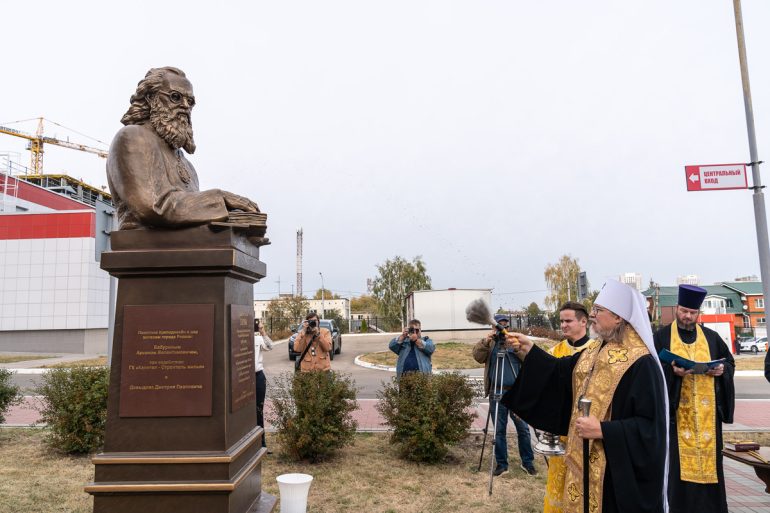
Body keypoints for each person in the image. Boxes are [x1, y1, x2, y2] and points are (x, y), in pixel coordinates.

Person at [502, 280, 668, 513]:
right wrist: (529, 348)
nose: (592, 315)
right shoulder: (594, 350)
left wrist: (603, 430)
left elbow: (651, 428)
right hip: (581, 462)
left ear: (619, 317)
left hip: (614, 475)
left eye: (599, 310)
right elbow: (560, 373)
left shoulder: (641, 363)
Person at [107, 67, 260, 230]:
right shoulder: (132, 137)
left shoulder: (188, 165)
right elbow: (153, 207)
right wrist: (220, 199)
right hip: (145, 245)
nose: (185, 106)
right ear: (151, 98)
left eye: (190, 101)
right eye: (176, 97)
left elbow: (191, 216)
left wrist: (239, 221)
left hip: (180, 242)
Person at [653, 285, 735, 513]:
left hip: (708, 422)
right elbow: (651, 368)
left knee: (711, 469)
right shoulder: (661, 336)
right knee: (677, 470)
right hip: (677, 418)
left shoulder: (711, 338)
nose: (688, 316)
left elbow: (728, 362)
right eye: (684, 311)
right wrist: (672, 372)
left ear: (699, 313)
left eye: (692, 312)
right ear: (677, 308)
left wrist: (721, 371)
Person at [542, 302, 593, 512]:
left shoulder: (595, 350)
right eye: (561, 321)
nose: (563, 325)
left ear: (584, 321)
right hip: (560, 427)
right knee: (557, 480)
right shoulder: (555, 350)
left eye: (568, 320)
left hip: (585, 428)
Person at [472, 314, 536, 476]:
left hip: (516, 393)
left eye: (505, 326)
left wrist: (516, 348)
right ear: (494, 328)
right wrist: (485, 342)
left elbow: (530, 360)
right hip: (496, 391)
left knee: (523, 429)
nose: (503, 329)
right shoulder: (491, 344)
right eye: (499, 326)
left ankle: (527, 462)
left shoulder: (515, 342)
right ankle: (502, 464)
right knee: (499, 430)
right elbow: (477, 357)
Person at [254, 318, 273, 452]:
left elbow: (270, 346)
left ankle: (261, 443)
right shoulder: (237, 338)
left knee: (259, 409)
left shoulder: (258, 339)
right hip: (243, 377)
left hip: (258, 376)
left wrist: (262, 331)